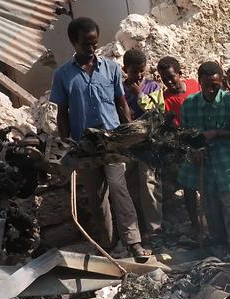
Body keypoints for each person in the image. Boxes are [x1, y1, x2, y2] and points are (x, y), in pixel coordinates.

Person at [50, 18, 149, 258]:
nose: (92, 49)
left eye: (95, 44)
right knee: (96, 197)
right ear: (74, 42)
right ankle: (107, 243)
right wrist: (66, 144)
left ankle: (133, 241)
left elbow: (121, 103)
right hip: (84, 145)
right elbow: (62, 113)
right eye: (86, 44)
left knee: (118, 187)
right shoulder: (63, 75)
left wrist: (131, 132)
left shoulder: (112, 68)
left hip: (111, 140)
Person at [181, 62, 230, 261]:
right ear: (200, 82)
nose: (211, 89)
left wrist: (218, 133)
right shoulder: (189, 104)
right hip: (204, 171)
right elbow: (184, 137)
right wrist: (193, 149)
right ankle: (224, 258)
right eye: (206, 85)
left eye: (215, 84)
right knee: (212, 216)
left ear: (222, 81)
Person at [156, 56, 202, 234]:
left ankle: (212, 223)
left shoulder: (194, 85)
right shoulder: (165, 98)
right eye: (164, 79)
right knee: (189, 188)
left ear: (180, 74)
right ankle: (195, 226)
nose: (169, 82)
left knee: (207, 185)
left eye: (171, 77)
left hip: (203, 140)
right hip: (183, 147)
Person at [122, 49, 163, 243]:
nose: (139, 75)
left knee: (149, 184)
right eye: (134, 71)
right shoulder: (120, 90)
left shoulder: (153, 87)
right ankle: (136, 228)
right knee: (130, 186)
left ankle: (154, 229)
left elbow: (157, 113)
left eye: (142, 70)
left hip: (149, 144)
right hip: (129, 145)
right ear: (125, 69)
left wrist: (139, 94)